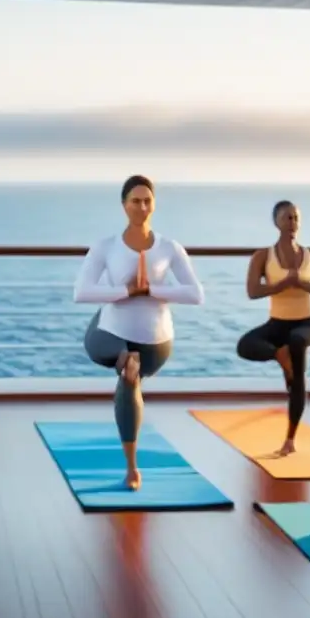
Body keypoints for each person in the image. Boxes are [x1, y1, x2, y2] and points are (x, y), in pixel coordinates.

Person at [73, 175, 204, 490]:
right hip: (111, 330)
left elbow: (196, 293)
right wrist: (126, 291)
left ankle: (128, 390)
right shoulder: (106, 247)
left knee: (131, 374)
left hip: (156, 340)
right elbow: (81, 291)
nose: (142, 207)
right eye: (135, 200)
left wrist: (152, 289)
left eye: (147, 200)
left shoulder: (169, 248)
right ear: (124, 205)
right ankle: (132, 468)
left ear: (154, 205)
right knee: (129, 370)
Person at [237, 200, 310, 455]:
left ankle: (290, 440)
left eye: (295, 218)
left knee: (297, 346)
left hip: (308, 324)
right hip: (277, 324)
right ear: (276, 222)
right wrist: (282, 284)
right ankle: (279, 355)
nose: (292, 222)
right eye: (286, 218)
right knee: (245, 345)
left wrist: (302, 283)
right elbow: (253, 291)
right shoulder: (263, 256)